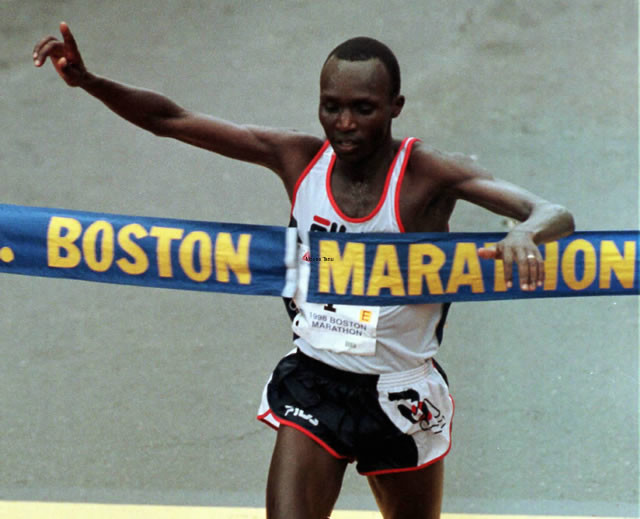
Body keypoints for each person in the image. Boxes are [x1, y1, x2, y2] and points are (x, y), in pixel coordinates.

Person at [33, 23, 574, 519]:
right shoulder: (299, 159)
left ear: (395, 107)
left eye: (362, 109)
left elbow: (551, 212)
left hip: (401, 390)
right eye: (330, 107)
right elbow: (171, 121)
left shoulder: (426, 173)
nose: (344, 124)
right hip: (315, 381)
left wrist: (526, 233)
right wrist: (90, 81)